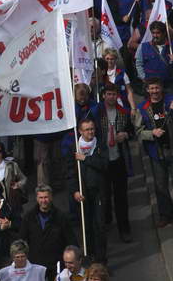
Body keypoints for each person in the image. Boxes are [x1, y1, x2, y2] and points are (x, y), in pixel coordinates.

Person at [96, 83, 133, 242]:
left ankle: (124, 229)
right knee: (103, 196)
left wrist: (125, 134)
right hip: (102, 161)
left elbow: (132, 131)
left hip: (118, 159)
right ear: (103, 95)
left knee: (121, 197)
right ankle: (105, 222)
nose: (111, 97)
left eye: (114, 94)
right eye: (109, 94)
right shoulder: (96, 112)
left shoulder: (123, 112)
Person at [67, 119, 108, 263]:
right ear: (80, 131)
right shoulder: (75, 147)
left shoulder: (100, 145)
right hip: (83, 194)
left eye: (92, 129)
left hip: (98, 192)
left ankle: (101, 260)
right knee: (86, 227)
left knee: (100, 227)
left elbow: (104, 164)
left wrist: (85, 159)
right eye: (87, 129)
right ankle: (88, 257)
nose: (90, 132)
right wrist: (75, 191)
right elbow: (70, 173)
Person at [134, 77, 173, 227]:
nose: (155, 91)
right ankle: (165, 215)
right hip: (156, 152)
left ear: (161, 88)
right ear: (147, 90)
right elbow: (138, 132)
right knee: (160, 186)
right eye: (152, 88)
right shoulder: (142, 108)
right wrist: (151, 133)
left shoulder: (169, 101)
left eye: (157, 88)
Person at [19, 186, 78, 281]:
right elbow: (21, 239)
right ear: (37, 198)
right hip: (36, 264)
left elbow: (71, 240)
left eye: (46, 197)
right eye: (41, 197)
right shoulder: (29, 217)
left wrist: (73, 260)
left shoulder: (61, 217)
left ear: (51, 197)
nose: (44, 200)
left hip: (56, 265)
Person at [135, 21, 173, 89]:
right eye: (153, 33)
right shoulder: (143, 47)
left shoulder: (170, 47)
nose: (155, 35)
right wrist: (144, 78)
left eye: (158, 33)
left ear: (164, 33)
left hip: (168, 86)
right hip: (151, 87)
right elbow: (138, 64)